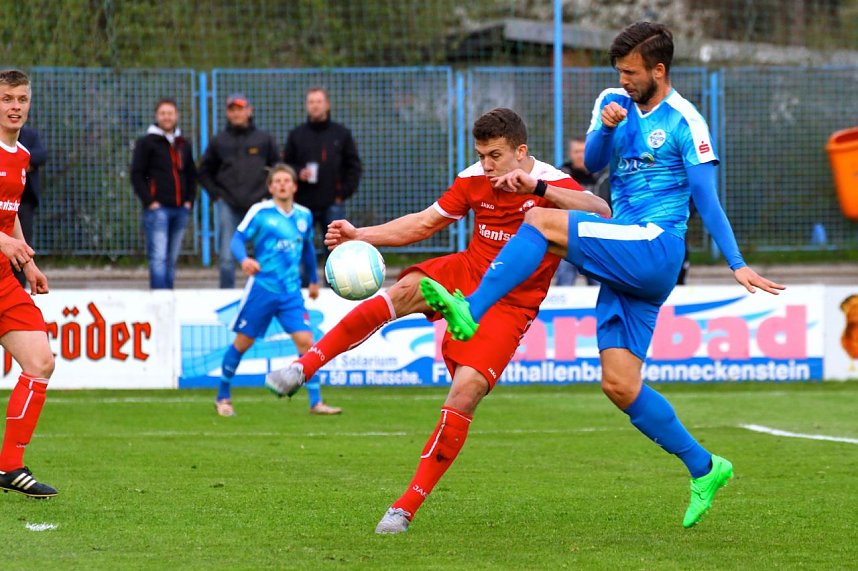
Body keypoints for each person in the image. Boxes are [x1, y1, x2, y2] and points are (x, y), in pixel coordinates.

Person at [418, 22, 785, 529]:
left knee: (538, 220)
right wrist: (608, 126)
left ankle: (471, 309)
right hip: (623, 251)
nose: (624, 80)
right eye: (619, 72)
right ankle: (705, 467)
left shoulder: (686, 123)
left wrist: (736, 263)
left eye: (632, 73)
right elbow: (591, 164)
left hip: (655, 246)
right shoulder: (614, 100)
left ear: (659, 70)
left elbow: (707, 198)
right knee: (619, 384)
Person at [265, 108, 610, 533]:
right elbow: (425, 223)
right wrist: (361, 235)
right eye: (481, 154)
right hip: (466, 271)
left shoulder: (550, 182)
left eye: (495, 155)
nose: (486, 165)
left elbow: (602, 211)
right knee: (402, 292)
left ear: (522, 152)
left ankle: (404, 508)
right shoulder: (472, 178)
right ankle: (305, 366)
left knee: (464, 394)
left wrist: (537, 187)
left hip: (511, 305)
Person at [214, 164, 341, 417]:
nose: (282, 185)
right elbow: (237, 239)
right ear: (270, 187)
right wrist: (244, 260)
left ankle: (316, 402)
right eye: (277, 181)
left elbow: (306, 250)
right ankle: (223, 397)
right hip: (262, 288)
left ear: (294, 186)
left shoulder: (304, 215)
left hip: (291, 292)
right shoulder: (260, 212)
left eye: (287, 181)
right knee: (243, 342)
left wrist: (314, 280)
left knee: (307, 342)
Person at [0, 69, 57, 498]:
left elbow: (9, 212)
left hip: (4, 279)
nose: (15, 106)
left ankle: (9, 466)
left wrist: (25, 257)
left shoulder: (20, 156)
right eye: (7, 99)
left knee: (40, 360)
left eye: (21, 99)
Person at [198, 93, 279, 288]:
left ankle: (265, 296)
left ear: (249, 111)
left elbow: (277, 168)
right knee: (227, 256)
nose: (236, 114)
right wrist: (217, 196)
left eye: (240, 109)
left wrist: (269, 196)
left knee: (265, 254)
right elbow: (204, 171)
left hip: (259, 207)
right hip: (228, 205)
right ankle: (226, 294)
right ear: (227, 113)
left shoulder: (263, 139)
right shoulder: (219, 141)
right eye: (232, 110)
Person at [284, 87, 362, 280]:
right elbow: (285, 165)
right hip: (302, 204)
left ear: (327, 105)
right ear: (306, 106)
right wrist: (298, 172)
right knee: (300, 249)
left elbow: (353, 166)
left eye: (319, 101)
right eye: (311, 102)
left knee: (335, 252)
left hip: (332, 203)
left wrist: (342, 193)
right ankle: (302, 292)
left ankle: (336, 290)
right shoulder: (297, 135)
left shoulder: (341, 134)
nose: (315, 106)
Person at [130, 98, 197, 289]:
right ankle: (159, 298)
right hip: (157, 209)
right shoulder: (147, 142)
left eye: (170, 113)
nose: (167, 117)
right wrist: (149, 201)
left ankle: (169, 296)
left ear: (177, 116)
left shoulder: (183, 143)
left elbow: (191, 172)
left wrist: (189, 200)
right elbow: (137, 174)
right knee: (158, 256)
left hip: (180, 209)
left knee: (172, 258)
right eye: (163, 113)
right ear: (156, 116)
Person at [555, 138, 607, 286]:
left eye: (584, 151)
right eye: (576, 151)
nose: (580, 155)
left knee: (599, 286)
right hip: (567, 238)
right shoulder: (559, 177)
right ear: (570, 154)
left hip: (597, 239)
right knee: (564, 284)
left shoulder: (605, 177)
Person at [12, 126, 46, 289]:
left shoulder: (30, 136)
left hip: (24, 203)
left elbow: (41, 156)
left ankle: (19, 289)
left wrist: (18, 162)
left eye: (23, 100)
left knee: (22, 249)